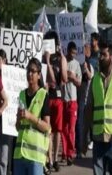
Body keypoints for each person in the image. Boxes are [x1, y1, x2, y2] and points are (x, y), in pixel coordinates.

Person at [83, 43, 112, 175]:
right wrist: (85, 137)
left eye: (104, 55)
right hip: (98, 139)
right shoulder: (95, 80)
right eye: (99, 55)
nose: (100, 58)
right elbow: (88, 110)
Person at [13, 58, 51, 175]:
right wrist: (19, 119)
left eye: (33, 71)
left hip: (35, 156)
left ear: (39, 75)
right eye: (28, 71)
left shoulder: (43, 95)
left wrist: (31, 117)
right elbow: (18, 127)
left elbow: (47, 127)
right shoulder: (22, 94)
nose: (29, 74)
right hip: (20, 154)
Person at [43, 31, 67, 172]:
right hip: (47, 97)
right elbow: (47, 81)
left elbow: (61, 80)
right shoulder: (44, 57)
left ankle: (56, 158)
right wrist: (46, 61)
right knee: (48, 130)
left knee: (57, 130)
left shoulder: (60, 58)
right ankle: (49, 159)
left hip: (57, 98)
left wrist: (61, 59)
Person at [62, 42, 82, 165]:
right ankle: (64, 153)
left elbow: (79, 83)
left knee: (71, 129)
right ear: (68, 51)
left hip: (73, 101)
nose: (73, 55)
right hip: (63, 100)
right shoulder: (63, 61)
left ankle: (70, 153)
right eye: (71, 53)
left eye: (75, 53)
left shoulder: (76, 64)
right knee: (63, 129)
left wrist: (73, 77)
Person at [76, 44, 94, 158]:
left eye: (85, 50)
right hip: (77, 99)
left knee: (84, 125)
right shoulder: (78, 64)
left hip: (86, 100)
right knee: (79, 124)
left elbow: (90, 76)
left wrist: (86, 69)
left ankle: (83, 147)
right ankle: (80, 147)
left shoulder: (89, 65)